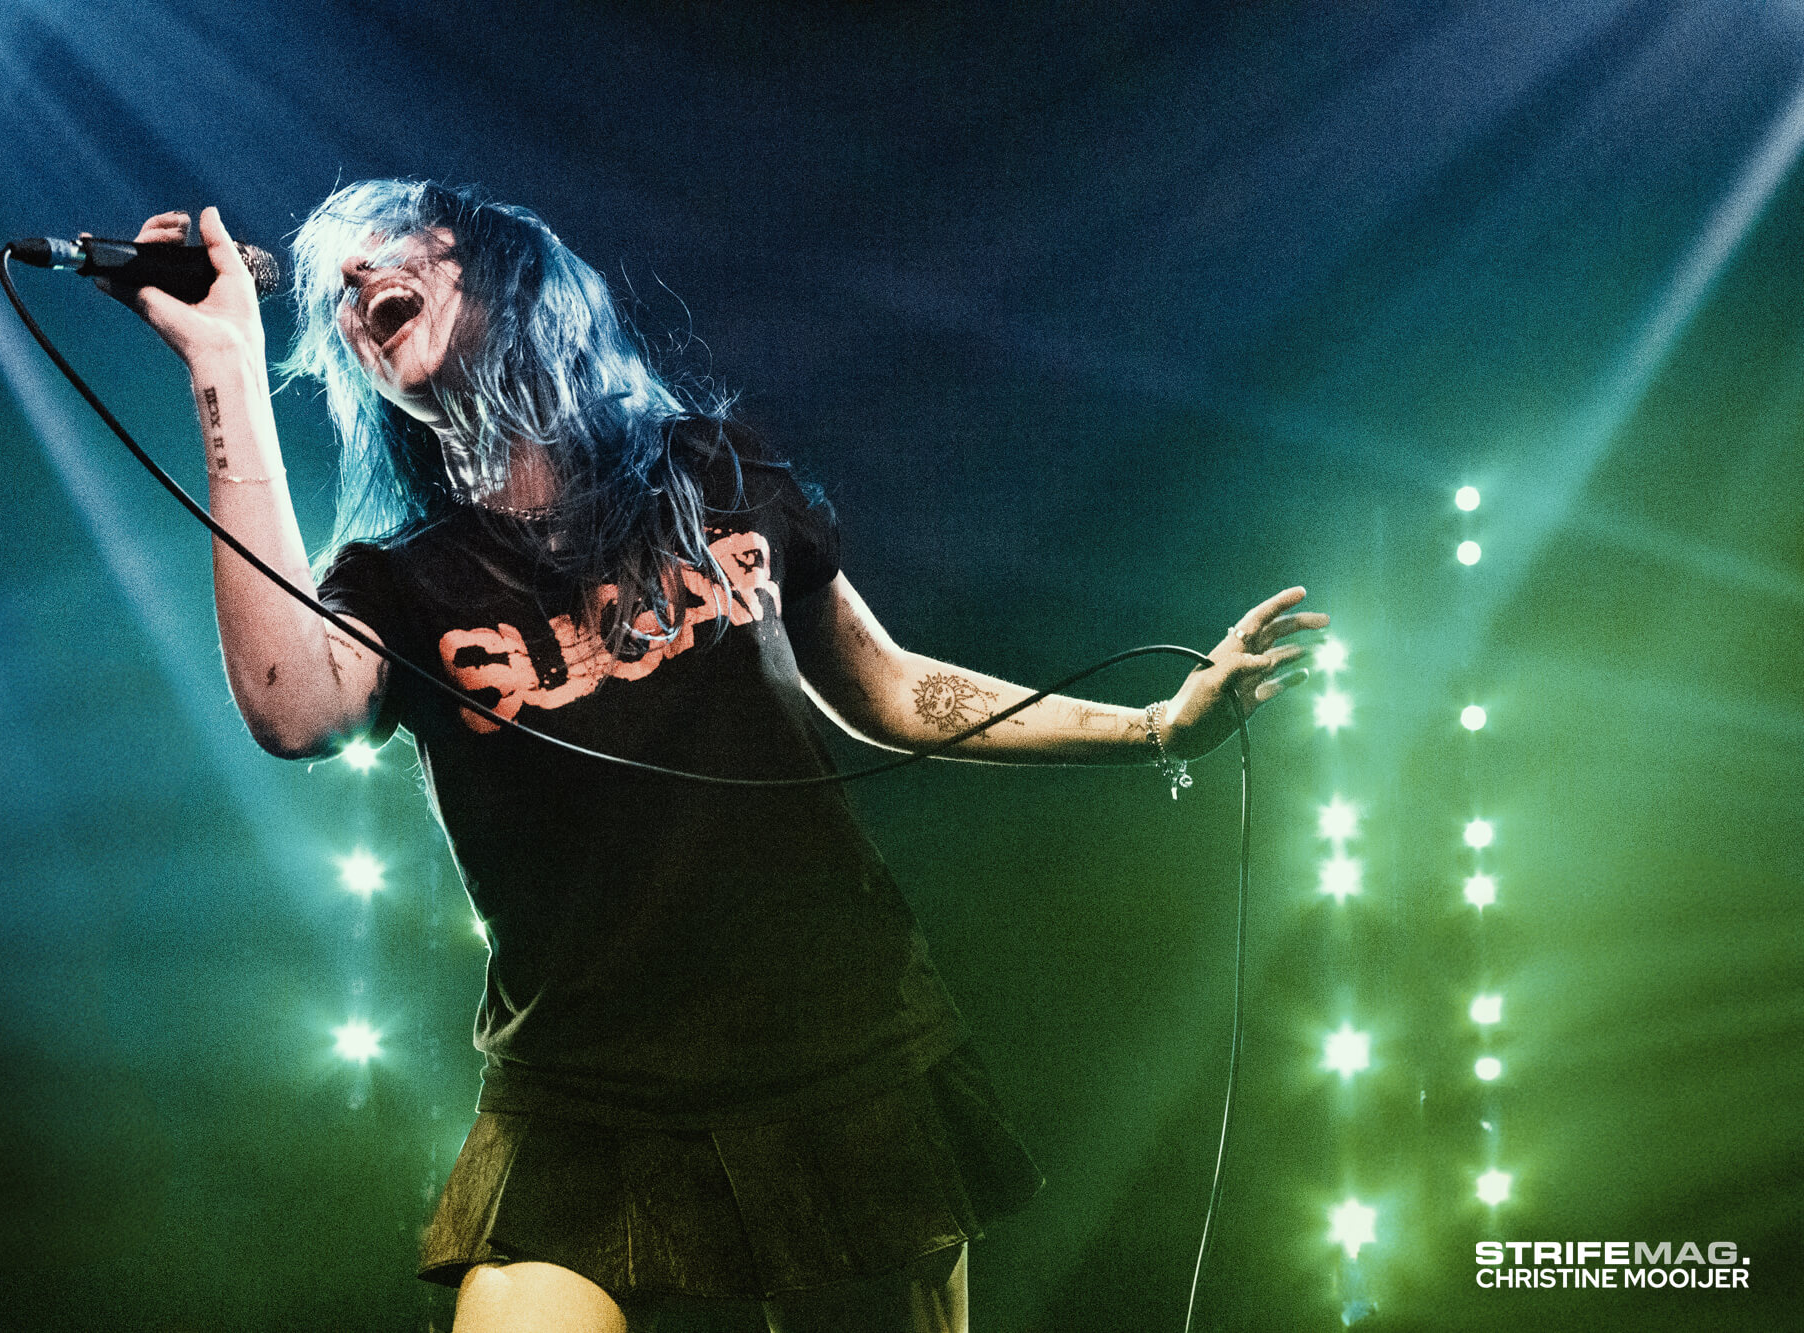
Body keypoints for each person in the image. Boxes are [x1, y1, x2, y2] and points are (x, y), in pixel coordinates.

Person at [120, 181, 1326, 1333]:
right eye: (331, 289)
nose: (351, 280)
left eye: (388, 242)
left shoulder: (712, 475)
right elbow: (292, 711)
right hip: (586, 1086)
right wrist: (225, 364)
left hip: (837, 1046)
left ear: (493, 265)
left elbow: (889, 690)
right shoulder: (400, 577)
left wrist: (1155, 726)